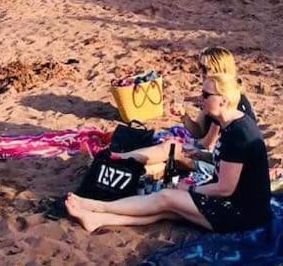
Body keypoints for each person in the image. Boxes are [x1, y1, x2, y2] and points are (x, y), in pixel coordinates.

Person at [65, 69, 272, 234]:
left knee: (166, 198)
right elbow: (230, 164)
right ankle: (98, 219)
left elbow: (225, 189)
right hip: (237, 203)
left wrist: (189, 190)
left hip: (241, 213)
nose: (200, 99)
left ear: (224, 101)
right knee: (166, 209)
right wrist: (201, 155)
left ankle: (97, 206)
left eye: (206, 95)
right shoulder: (229, 124)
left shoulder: (239, 134)